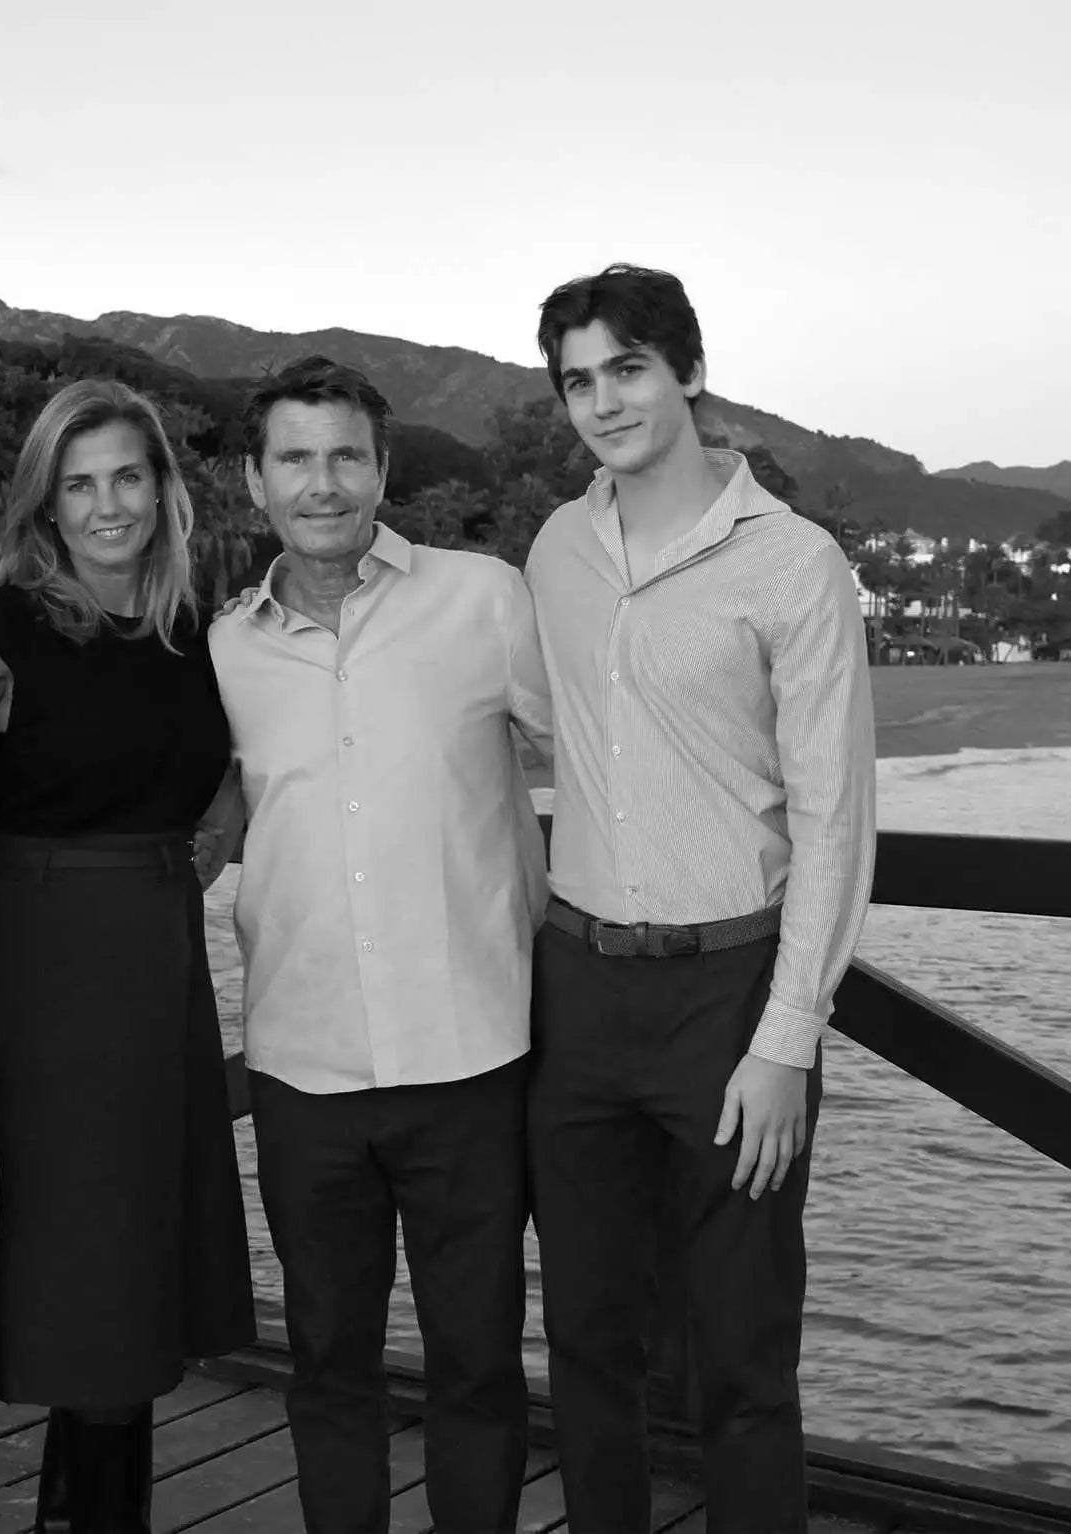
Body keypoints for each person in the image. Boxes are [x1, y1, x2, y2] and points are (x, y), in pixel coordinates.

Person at [522, 263, 878, 1533]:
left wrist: (788, 1038)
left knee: (739, 1354)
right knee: (583, 1338)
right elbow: (527, 720)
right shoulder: (558, 546)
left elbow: (835, 819)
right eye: (578, 378)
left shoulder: (792, 564)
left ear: (684, 371)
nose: (603, 400)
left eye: (626, 367)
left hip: (727, 996)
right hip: (574, 988)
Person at [209, 356, 552, 1534]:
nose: (323, 483)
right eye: (295, 459)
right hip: (302, 1072)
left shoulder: (484, 600)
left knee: (476, 1367)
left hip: (470, 1059)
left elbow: (611, 763)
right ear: (254, 483)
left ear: (382, 468)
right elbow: (186, 833)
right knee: (327, 1366)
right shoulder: (222, 652)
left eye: (344, 455)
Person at [0, 378, 256, 1531]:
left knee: (131, 1253)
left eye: (127, 476)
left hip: (162, 956)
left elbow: (229, 752)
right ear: (47, 502)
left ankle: (76, 1511)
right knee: (78, 1248)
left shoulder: (199, 630)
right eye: (78, 484)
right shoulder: (3, 629)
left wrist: (228, 798)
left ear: (163, 489)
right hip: (48, 968)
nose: (106, 504)